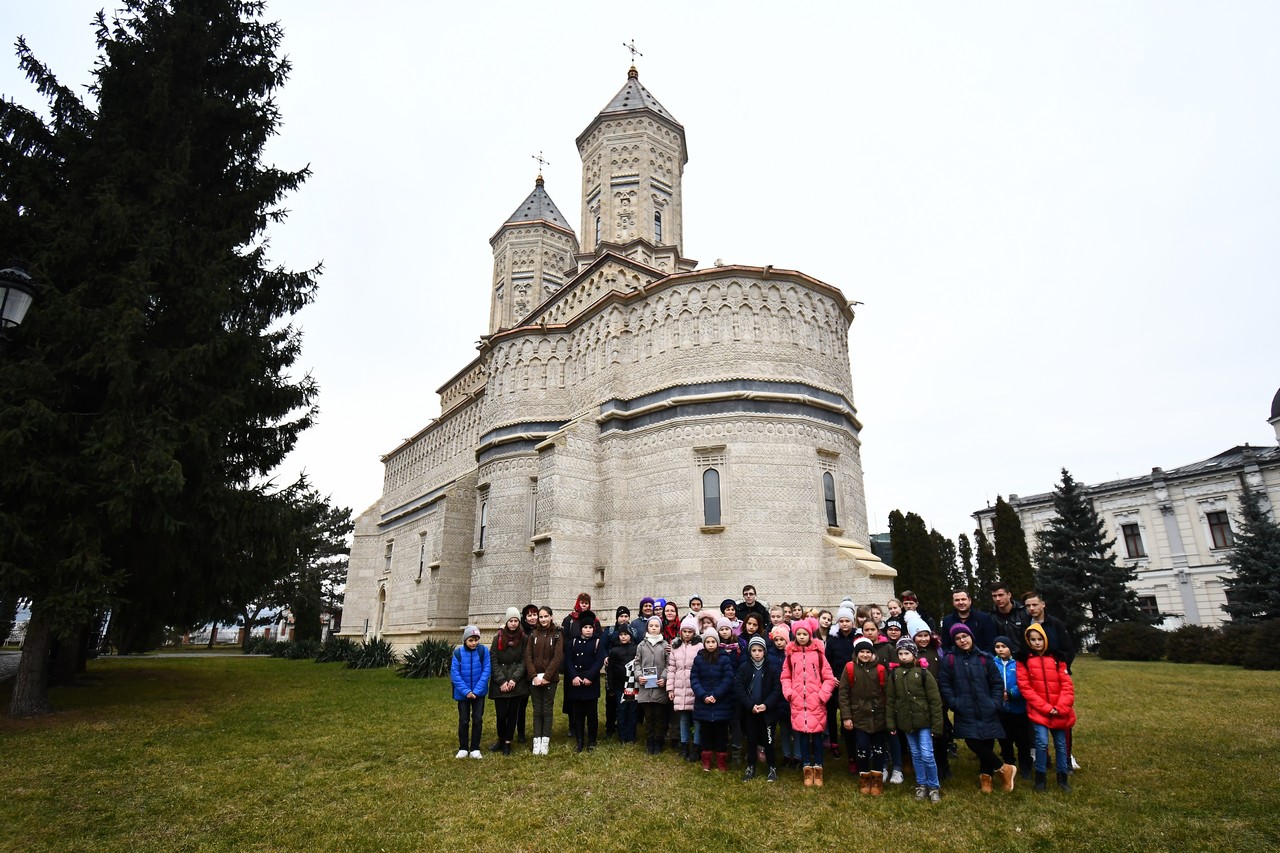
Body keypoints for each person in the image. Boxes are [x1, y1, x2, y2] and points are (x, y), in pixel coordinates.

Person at [937, 623, 1017, 794]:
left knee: (987, 742)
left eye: (964, 636)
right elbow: (945, 683)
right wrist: (954, 702)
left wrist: (995, 702)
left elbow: (996, 683)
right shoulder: (949, 659)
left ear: (971, 637)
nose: (962, 640)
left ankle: (986, 777)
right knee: (971, 740)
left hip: (987, 706)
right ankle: (1004, 768)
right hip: (964, 707)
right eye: (957, 638)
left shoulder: (984, 658)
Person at [1018, 623, 1077, 792]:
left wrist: (1060, 707)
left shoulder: (1058, 660)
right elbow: (1025, 688)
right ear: (1028, 641)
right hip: (1039, 710)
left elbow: (1067, 686)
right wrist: (1045, 707)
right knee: (1041, 742)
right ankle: (1040, 778)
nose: (1037, 643)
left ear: (1045, 639)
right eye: (1033, 640)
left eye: (1039, 639)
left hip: (1059, 710)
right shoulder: (1025, 661)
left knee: (1061, 744)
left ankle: (1062, 777)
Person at [885, 638, 944, 803]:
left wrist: (937, 725)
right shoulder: (895, 675)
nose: (903, 657)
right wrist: (891, 722)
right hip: (906, 721)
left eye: (907, 653)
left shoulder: (924, 673)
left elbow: (935, 700)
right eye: (901, 654)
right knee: (916, 754)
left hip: (924, 721)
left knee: (927, 754)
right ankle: (921, 784)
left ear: (914, 654)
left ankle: (934, 786)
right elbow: (890, 700)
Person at [781, 618, 837, 787]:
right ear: (795, 635)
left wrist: (822, 695)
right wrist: (789, 693)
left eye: (805, 634)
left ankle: (818, 767)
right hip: (798, 702)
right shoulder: (791, 656)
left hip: (816, 702)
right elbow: (785, 676)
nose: (802, 636)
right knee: (803, 737)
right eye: (799, 634)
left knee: (817, 738)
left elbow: (829, 677)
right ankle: (806, 767)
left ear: (810, 634)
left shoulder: (819, 655)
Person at [839, 637, 889, 796]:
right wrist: (846, 717)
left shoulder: (880, 669)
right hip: (859, 716)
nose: (865, 655)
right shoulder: (850, 668)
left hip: (879, 716)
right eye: (862, 652)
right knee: (862, 748)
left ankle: (876, 779)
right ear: (856, 653)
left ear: (873, 653)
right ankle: (864, 777)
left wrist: (889, 717)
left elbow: (888, 694)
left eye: (868, 652)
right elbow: (844, 693)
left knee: (879, 749)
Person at [734, 635, 781, 782]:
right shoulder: (744, 668)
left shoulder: (772, 669)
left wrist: (766, 704)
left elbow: (777, 689)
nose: (757, 653)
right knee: (751, 739)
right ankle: (751, 766)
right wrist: (750, 705)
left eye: (760, 650)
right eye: (754, 650)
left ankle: (772, 767)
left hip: (767, 711)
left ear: (764, 652)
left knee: (768, 740)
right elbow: (739, 688)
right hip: (750, 711)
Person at [691, 628, 736, 771]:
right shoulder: (698, 659)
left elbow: (728, 678)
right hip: (704, 702)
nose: (710, 644)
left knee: (721, 733)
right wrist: (703, 695)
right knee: (705, 734)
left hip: (721, 702)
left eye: (713, 642)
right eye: (708, 642)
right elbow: (694, 679)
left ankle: (721, 761)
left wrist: (716, 695)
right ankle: (706, 761)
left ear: (717, 643)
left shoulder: (724, 658)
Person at [563, 612, 606, 752]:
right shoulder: (573, 642)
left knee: (591, 714)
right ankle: (579, 740)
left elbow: (599, 660)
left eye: (590, 627)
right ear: (580, 629)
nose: (588, 629)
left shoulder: (597, 642)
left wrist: (590, 676)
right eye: (585, 627)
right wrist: (574, 676)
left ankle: (592, 740)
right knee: (578, 714)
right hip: (576, 682)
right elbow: (568, 661)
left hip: (590, 682)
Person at [488, 608, 529, 756]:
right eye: (511, 621)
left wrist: (513, 679)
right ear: (507, 621)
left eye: (516, 621)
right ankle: (500, 738)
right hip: (500, 683)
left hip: (516, 683)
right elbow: (493, 659)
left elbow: (524, 661)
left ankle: (508, 742)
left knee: (513, 714)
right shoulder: (497, 637)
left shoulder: (524, 638)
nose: (513, 623)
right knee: (501, 715)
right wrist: (501, 681)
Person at [993, 635, 1032, 780]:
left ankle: (1025, 765)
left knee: (1022, 740)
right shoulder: (993, 663)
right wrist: (997, 693)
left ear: (1011, 648)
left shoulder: (1018, 664)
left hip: (1018, 708)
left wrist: (1011, 693)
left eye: (1004, 646)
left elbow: (1024, 682)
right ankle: (1009, 765)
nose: (1001, 650)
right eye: (998, 647)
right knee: (1004, 739)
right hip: (1001, 710)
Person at [524, 606, 562, 755]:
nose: (543, 619)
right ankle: (536, 740)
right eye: (541, 617)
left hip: (549, 680)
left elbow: (557, 657)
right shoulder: (533, 634)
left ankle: (545, 740)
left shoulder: (557, 634)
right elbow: (528, 657)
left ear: (551, 617)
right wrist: (534, 676)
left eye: (546, 616)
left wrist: (546, 677)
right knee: (537, 710)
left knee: (547, 709)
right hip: (535, 679)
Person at [824, 607, 858, 767]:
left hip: (852, 682)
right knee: (831, 713)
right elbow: (827, 662)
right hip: (835, 681)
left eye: (847, 621)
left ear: (852, 622)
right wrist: (831, 678)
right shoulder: (832, 640)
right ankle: (834, 743)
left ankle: (852, 743)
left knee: (850, 713)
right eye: (841, 621)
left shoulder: (857, 638)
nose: (844, 624)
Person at [451, 625, 491, 759]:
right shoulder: (458, 653)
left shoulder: (483, 651)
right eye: (471, 640)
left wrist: (477, 691)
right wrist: (467, 691)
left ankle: (475, 748)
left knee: (478, 720)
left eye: (476, 640)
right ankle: (463, 747)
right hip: (463, 694)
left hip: (478, 694)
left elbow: (486, 671)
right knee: (463, 720)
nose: (474, 643)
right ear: (465, 640)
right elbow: (455, 675)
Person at [634, 615, 671, 754]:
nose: (654, 628)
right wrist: (639, 676)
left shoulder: (665, 645)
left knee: (659, 717)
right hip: (646, 688)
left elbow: (669, 664)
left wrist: (664, 678)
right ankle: (650, 742)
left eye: (656, 626)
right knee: (648, 716)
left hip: (659, 687)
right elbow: (637, 662)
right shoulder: (641, 645)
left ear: (660, 628)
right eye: (651, 626)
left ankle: (659, 741)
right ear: (647, 628)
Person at [667, 615, 702, 762]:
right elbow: (671, 669)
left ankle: (696, 746)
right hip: (680, 688)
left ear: (694, 633)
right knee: (683, 719)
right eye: (685, 631)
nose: (687, 634)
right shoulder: (676, 648)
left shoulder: (699, 647)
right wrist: (670, 689)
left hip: (695, 687)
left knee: (698, 720)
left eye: (690, 631)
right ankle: (684, 745)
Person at [606, 622, 638, 744]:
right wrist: (610, 687)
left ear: (631, 635)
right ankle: (623, 735)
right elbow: (610, 670)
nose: (623, 637)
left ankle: (632, 735)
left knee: (632, 709)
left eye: (626, 634)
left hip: (632, 685)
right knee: (621, 709)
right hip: (619, 686)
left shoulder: (636, 649)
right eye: (621, 634)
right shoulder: (614, 650)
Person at [603, 605, 633, 738]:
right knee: (617, 707)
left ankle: (630, 733)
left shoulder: (635, 639)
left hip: (631, 683)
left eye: (626, 616)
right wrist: (606, 657)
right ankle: (615, 730)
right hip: (617, 681)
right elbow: (603, 647)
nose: (624, 618)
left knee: (631, 709)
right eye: (621, 616)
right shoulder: (609, 632)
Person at [768, 624, 795, 767]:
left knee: (794, 729)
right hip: (775, 697)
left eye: (782, 640)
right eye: (776, 639)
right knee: (783, 729)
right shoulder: (769, 654)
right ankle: (786, 754)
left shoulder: (792, 654)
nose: (779, 642)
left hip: (790, 696)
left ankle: (797, 755)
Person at [941, 590, 998, 654]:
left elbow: (991, 643)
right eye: (957, 600)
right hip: (956, 661)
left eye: (963, 599)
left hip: (981, 660)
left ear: (970, 600)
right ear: (953, 603)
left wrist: (983, 658)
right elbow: (945, 645)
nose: (960, 602)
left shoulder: (984, 618)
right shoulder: (947, 621)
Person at [515, 603, 539, 744]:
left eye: (534, 614)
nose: (532, 618)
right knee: (521, 704)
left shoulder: (541, 630)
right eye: (529, 615)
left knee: (538, 704)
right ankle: (521, 733)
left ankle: (539, 732)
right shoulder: (521, 632)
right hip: (524, 673)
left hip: (538, 672)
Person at [988, 584, 1030, 654]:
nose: (997, 599)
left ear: (1009, 595)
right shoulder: (991, 617)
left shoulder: (1024, 612)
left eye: (1001, 595)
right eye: (994, 596)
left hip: (1022, 658)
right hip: (1001, 660)